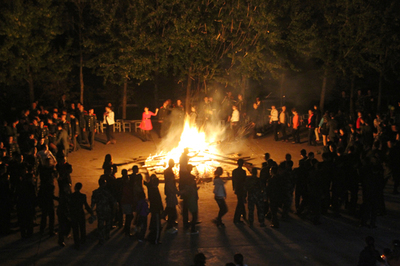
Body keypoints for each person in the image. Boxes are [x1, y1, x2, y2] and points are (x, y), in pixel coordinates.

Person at [91, 178, 116, 245]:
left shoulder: (95, 192)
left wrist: (91, 211)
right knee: (108, 223)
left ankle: (101, 238)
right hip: (107, 210)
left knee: (100, 225)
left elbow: (93, 203)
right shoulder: (107, 192)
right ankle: (107, 235)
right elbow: (112, 200)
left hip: (100, 210)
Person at [145, 174, 163, 244]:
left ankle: (151, 237)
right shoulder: (155, 190)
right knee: (157, 225)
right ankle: (156, 240)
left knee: (154, 223)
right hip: (156, 210)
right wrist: (161, 209)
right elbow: (158, 201)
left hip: (153, 209)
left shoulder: (152, 189)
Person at [164, 159, 179, 233]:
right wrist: (176, 191)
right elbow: (170, 184)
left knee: (170, 206)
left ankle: (164, 215)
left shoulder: (167, 171)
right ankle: (170, 225)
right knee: (171, 207)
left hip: (169, 191)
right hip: (170, 193)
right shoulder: (169, 172)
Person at [232, 159, 247, 224]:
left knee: (240, 201)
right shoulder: (243, 172)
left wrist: (234, 188)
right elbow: (245, 181)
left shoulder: (234, 171)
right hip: (242, 188)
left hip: (238, 188)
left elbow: (233, 180)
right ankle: (236, 218)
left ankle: (243, 214)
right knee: (240, 202)